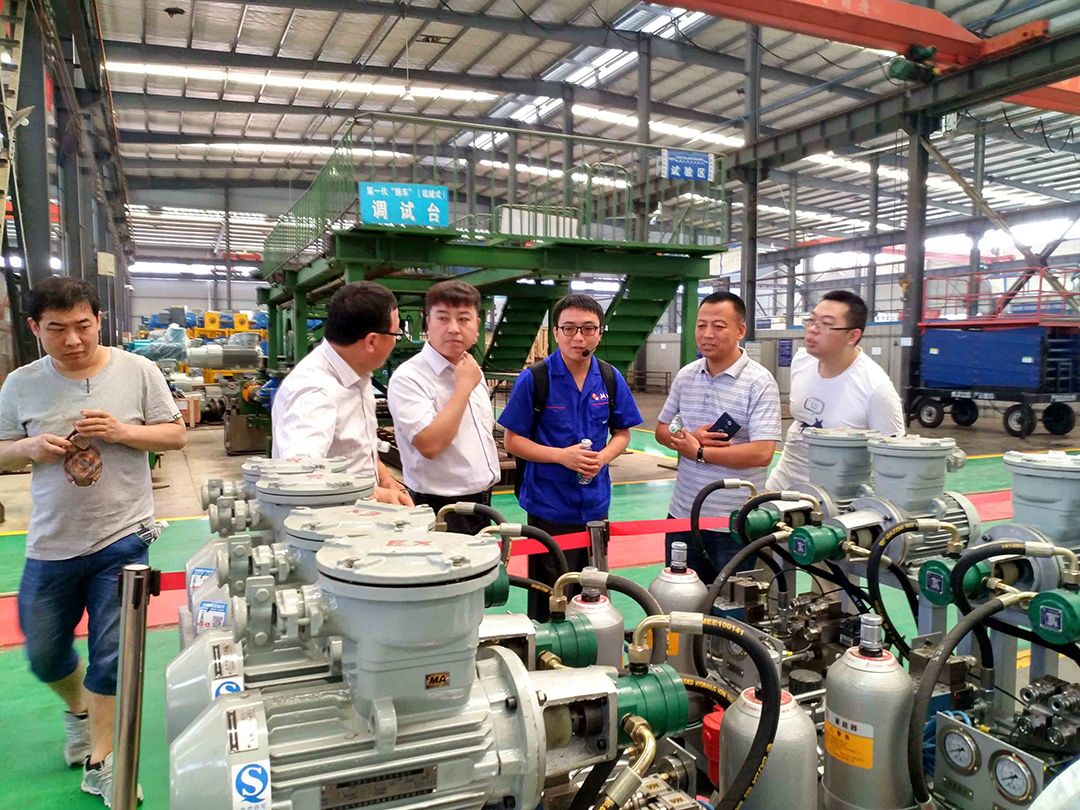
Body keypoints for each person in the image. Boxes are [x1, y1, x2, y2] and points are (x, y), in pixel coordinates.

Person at [0, 276, 186, 805]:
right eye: (57, 328)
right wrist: (29, 448)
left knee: (112, 654)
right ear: (35, 328)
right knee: (44, 652)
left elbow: (174, 433)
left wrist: (124, 432)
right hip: (52, 543)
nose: (73, 339)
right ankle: (79, 712)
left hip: (122, 537)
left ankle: (103, 760)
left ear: (99, 320)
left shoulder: (138, 371)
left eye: (83, 325)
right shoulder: (20, 384)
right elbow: (1, 450)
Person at [499, 293, 642, 618]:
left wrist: (603, 457)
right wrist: (561, 456)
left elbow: (623, 433)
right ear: (556, 332)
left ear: (600, 333)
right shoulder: (536, 379)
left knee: (592, 595)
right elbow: (513, 441)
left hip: (595, 507)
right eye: (569, 328)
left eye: (589, 328)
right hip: (549, 506)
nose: (579, 337)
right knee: (550, 597)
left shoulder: (610, 378)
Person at [655, 291, 782, 578]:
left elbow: (762, 453)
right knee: (679, 596)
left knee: (728, 600)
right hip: (682, 515)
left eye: (718, 326)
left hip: (732, 523)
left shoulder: (760, 383)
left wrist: (700, 453)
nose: (707, 334)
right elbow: (662, 430)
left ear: (740, 331)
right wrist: (688, 436)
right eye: (701, 325)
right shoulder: (686, 375)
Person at [272, 281, 413, 505]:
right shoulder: (315, 392)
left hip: (360, 514)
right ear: (372, 341)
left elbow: (354, 446)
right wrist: (376, 495)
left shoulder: (355, 371)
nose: (395, 341)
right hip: (331, 521)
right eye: (395, 333)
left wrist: (383, 477)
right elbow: (302, 477)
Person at [387, 280, 500, 534]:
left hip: (481, 505)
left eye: (463, 319)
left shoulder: (472, 370)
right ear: (428, 322)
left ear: (477, 325)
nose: (454, 329)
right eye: (443, 318)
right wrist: (463, 387)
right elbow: (430, 444)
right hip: (440, 509)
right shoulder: (410, 377)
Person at [767, 290, 905, 491]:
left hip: (833, 502)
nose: (813, 329)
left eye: (826, 324)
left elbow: (893, 461)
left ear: (852, 336)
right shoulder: (802, 361)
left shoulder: (877, 390)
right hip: (779, 489)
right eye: (811, 320)